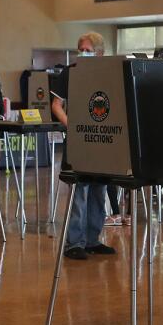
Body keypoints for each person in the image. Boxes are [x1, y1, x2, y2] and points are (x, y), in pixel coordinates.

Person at [50, 32, 115, 260]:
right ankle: (74, 243)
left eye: (87, 49)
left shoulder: (108, 73)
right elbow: (56, 105)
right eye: (80, 48)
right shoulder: (70, 73)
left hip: (101, 140)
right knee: (80, 191)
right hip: (79, 140)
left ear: (99, 53)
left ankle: (92, 239)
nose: (82, 52)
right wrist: (72, 126)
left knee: (99, 190)